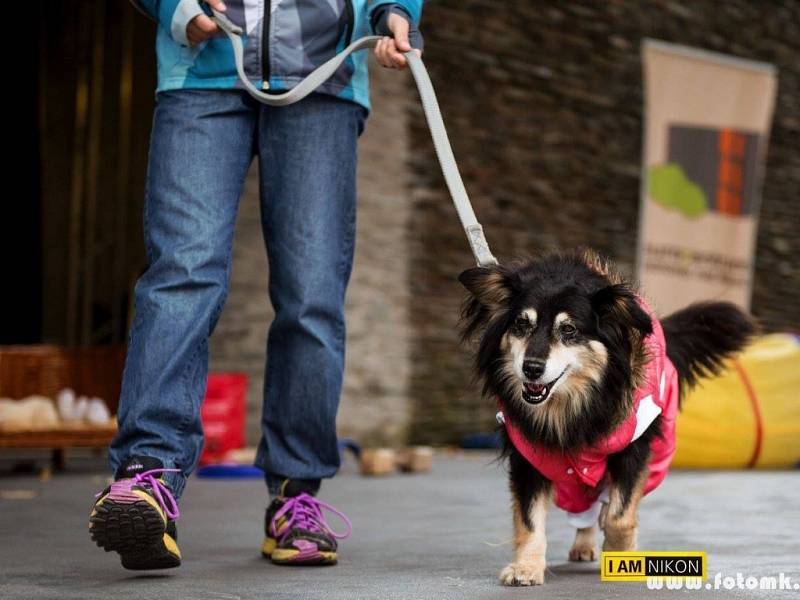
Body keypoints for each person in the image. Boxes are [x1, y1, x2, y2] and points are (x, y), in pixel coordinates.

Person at [88, 0, 423, 570]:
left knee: (311, 296)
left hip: (323, 77)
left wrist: (394, 13)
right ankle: (148, 477)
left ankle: (296, 495)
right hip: (202, 70)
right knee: (182, 274)